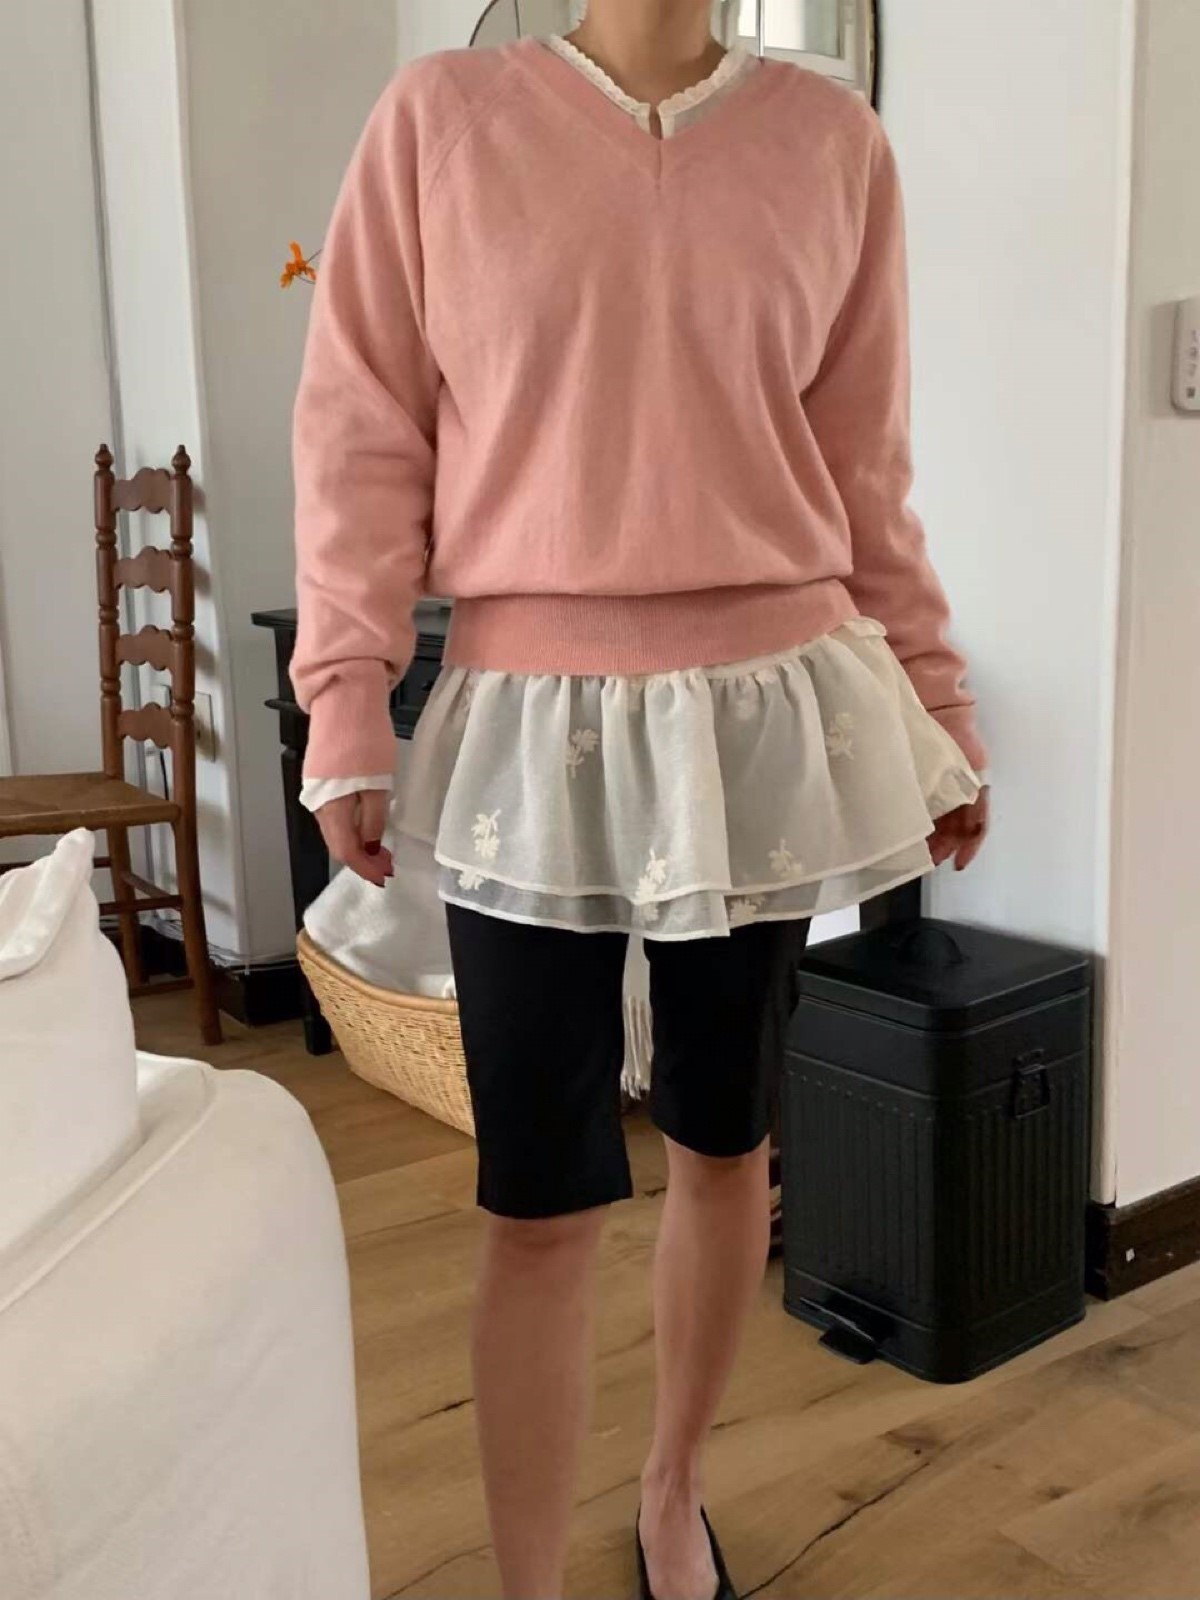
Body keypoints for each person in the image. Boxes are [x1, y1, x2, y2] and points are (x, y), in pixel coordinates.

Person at [290, 2, 989, 1595]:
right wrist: (346, 699)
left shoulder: (833, 146)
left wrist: (936, 703)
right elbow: (360, 431)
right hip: (526, 731)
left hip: (764, 729)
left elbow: (867, 470)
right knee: (538, 1194)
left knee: (725, 1144)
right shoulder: (441, 123)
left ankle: (673, 1492)